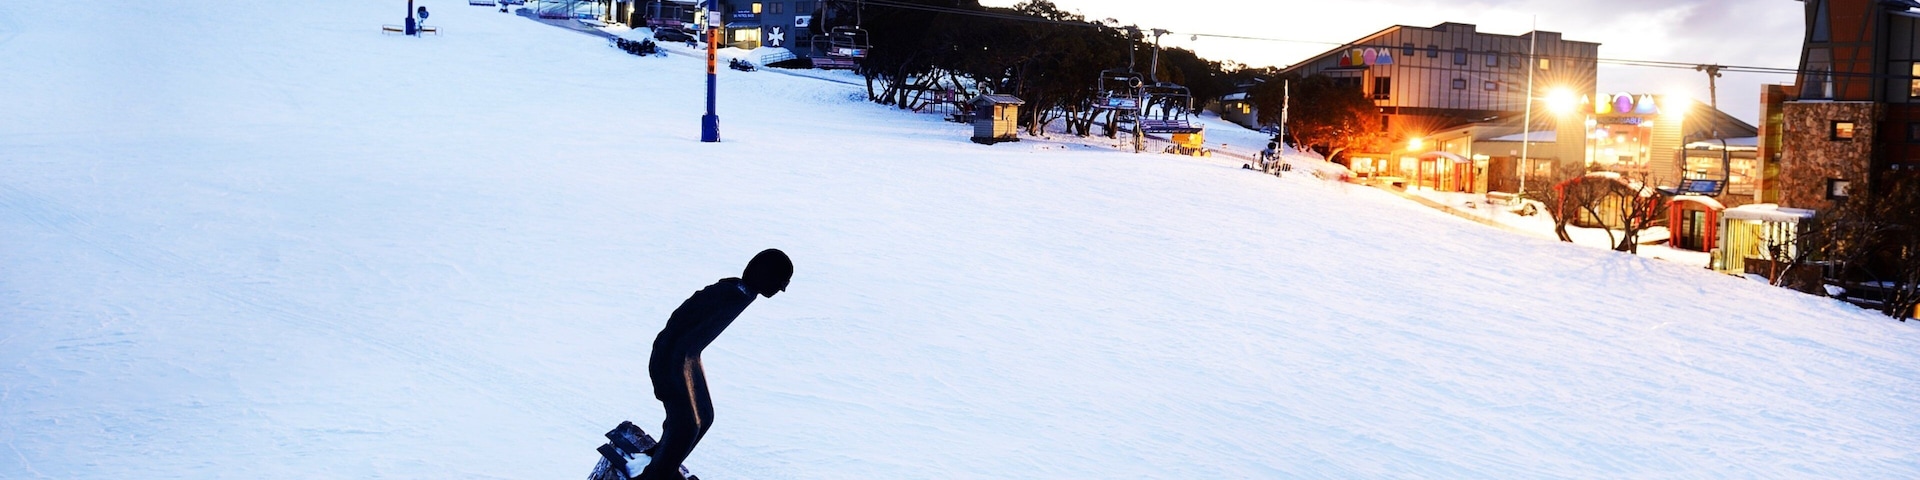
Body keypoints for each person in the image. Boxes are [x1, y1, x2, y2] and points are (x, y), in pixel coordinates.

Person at [636, 249, 792, 480]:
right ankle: (656, 475)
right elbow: (683, 316)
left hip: (688, 357)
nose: (782, 290)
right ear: (765, 274)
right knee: (687, 426)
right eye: (780, 282)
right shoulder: (732, 292)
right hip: (671, 358)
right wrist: (668, 357)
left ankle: (666, 461)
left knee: (704, 417)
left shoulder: (743, 293)